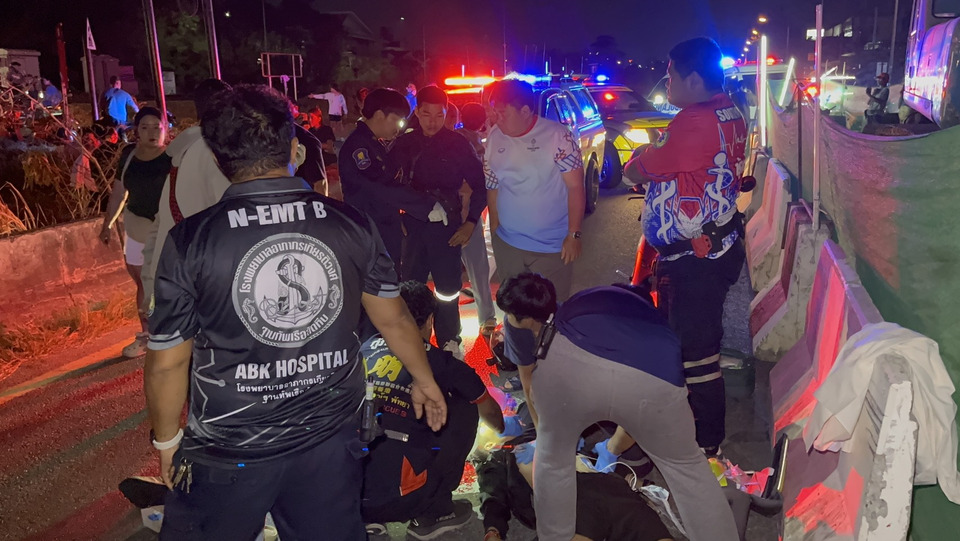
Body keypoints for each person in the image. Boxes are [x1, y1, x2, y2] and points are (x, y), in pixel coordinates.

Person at [144, 84, 448, 541]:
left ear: (220, 159)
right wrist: (424, 380)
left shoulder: (192, 240)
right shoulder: (349, 223)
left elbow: (168, 361)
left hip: (230, 447)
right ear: (294, 149)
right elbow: (395, 318)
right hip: (328, 441)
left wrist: (167, 441)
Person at [495, 273, 739, 541]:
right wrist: (613, 448)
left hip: (568, 375)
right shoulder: (623, 312)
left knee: (553, 463)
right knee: (687, 468)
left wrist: (549, 437)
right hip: (654, 380)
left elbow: (531, 388)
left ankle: (555, 537)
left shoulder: (565, 319)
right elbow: (633, 392)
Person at [621, 37, 747, 456]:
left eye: (671, 75)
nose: (667, 82)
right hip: (712, 246)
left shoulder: (693, 121)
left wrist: (647, 153)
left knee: (696, 355)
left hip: (696, 261)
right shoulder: (728, 110)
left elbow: (635, 170)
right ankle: (693, 432)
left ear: (693, 78)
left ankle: (706, 445)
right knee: (691, 347)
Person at [361, 281, 503, 539]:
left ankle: (368, 521)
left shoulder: (364, 348)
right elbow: (490, 411)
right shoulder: (443, 363)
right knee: (464, 405)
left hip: (349, 493)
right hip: (405, 497)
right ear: (429, 320)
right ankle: (434, 512)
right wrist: (502, 432)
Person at [484, 79, 585, 407]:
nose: (496, 117)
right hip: (509, 241)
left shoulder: (557, 136)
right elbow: (492, 183)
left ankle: (555, 372)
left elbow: (575, 187)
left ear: (526, 110)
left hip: (551, 245)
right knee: (514, 310)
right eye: (493, 110)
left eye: (502, 111)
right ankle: (521, 367)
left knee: (550, 311)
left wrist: (573, 234)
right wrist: (495, 225)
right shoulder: (495, 137)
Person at [477, 404, 674, 541]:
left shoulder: (539, 424)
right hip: (568, 497)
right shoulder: (501, 456)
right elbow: (492, 494)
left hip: (608, 488)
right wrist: (493, 531)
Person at [390, 86, 486, 357]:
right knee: (412, 287)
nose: (432, 121)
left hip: (447, 227)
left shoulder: (458, 144)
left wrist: (470, 222)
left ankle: (450, 340)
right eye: (426, 114)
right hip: (413, 224)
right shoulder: (404, 144)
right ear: (417, 113)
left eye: (439, 115)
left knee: (448, 288)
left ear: (447, 114)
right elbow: (389, 185)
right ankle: (413, 339)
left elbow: (480, 186)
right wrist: (396, 218)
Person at [139, 79, 232, 317]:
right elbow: (233, 216)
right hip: (205, 284)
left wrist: (150, 287)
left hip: (173, 279)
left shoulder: (181, 155)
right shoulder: (215, 153)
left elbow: (159, 227)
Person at [338, 88, 443, 277]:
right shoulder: (359, 147)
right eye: (396, 120)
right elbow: (380, 184)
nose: (399, 127)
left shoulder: (373, 144)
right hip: (371, 233)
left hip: (380, 229)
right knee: (381, 286)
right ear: (380, 115)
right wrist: (425, 205)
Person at [99, 107, 171, 358]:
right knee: (142, 282)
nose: (151, 132)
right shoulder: (128, 156)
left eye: (157, 127)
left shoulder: (174, 157)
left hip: (167, 229)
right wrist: (107, 224)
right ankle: (147, 335)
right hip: (137, 225)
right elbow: (119, 193)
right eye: (144, 127)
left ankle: (175, 332)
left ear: (165, 129)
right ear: (136, 131)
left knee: (166, 282)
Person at [455, 102, 497, 337]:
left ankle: (450, 322)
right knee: (478, 267)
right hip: (467, 214)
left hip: (457, 213)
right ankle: (486, 318)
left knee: (462, 269)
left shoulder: (462, 140)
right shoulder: (479, 144)